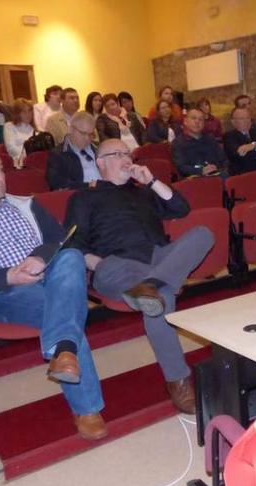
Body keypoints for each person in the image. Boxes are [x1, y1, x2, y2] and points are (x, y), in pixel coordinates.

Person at [0, 143, 107, 440]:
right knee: (65, 312)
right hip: (1, 292)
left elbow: (62, 241)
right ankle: (86, 404)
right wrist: (7, 276)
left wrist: (39, 257)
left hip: (49, 277)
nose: (0, 176)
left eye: (0, 169)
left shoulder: (28, 204)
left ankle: (63, 351)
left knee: (71, 257)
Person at [64, 138, 214, 413]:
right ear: (101, 163)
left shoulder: (143, 191)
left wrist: (152, 180)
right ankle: (178, 380)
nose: (126, 158)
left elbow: (182, 208)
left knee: (204, 233)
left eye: (128, 152)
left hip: (157, 257)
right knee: (163, 298)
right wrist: (99, 264)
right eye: (117, 153)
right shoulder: (84, 197)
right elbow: (72, 244)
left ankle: (151, 284)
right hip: (116, 266)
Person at [46, 111, 100, 190]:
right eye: (83, 133)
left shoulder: (99, 149)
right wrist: (88, 186)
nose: (87, 138)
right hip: (82, 196)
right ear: (71, 129)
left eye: (91, 134)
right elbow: (57, 183)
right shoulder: (58, 154)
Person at [171, 107, 228, 177]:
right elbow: (181, 167)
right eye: (193, 118)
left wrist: (217, 167)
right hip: (194, 178)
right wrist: (201, 170)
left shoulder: (210, 139)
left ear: (204, 124)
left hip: (216, 174)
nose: (197, 121)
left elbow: (223, 159)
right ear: (185, 121)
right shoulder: (178, 143)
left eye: (201, 119)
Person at [223, 106, 256, 175]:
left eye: (248, 118)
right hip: (242, 174)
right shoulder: (229, 136)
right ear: (233, 122)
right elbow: (242, 156)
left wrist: (254, 146)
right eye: (242, 118)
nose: (246, 121)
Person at [3, 98, 35, 167]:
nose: (28, 114)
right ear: (17, 113)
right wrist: (29, 155)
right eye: (24, 112)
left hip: (34, 162)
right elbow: (11, 148)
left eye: (29, 111)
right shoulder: (9, 126)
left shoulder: (34, 129)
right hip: (18, 163)